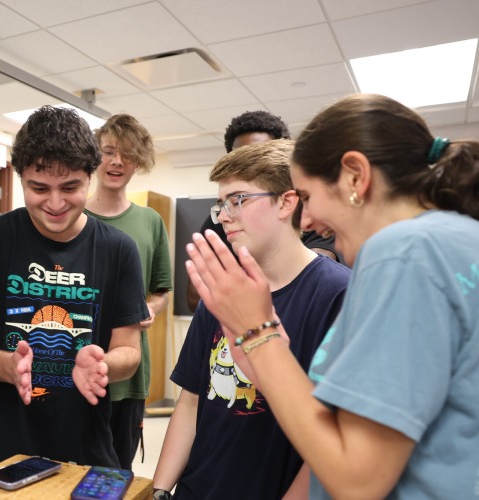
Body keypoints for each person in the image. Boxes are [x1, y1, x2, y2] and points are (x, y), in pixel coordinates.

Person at [185, 93, 479, 498]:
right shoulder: (454, 239)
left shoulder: (404, 253)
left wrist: (258, 333)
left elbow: (357, 480)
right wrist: (272, 364)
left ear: (355, 176)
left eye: (306, 197)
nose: (306, 220)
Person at [0, 105, 149, 476]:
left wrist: (103, 363)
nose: (54, 204)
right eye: (39, 188)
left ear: (91, 176)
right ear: (20, 177)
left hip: (84, 447)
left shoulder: (118, 249)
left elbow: (129, 353)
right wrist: (7, 365)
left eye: (70, 187)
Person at [153, 140, 350, 499]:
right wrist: (160, 490)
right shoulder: (221, 287)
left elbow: (332, 441)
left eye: (238, 200)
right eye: (221, 204)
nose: (223, 215)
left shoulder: (339, 295)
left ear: (286, 202)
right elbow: (190, 400)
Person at [185, 110, 339, 312]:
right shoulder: (220, 220)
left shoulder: (313, 215)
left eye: (241, 199)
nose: (225, 216)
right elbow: (197, 296)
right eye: (239, 154)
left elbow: (310, 281)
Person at [85, 114, 172, 470]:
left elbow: (162, 290)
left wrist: (151, 309)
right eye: (108, 152)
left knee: (117, 473)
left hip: (129, 373)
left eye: (128, 155)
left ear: (139, 162)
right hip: (76, 366)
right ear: (93, 157)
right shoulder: (74, 218)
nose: (117, 161)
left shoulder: (150, 221)